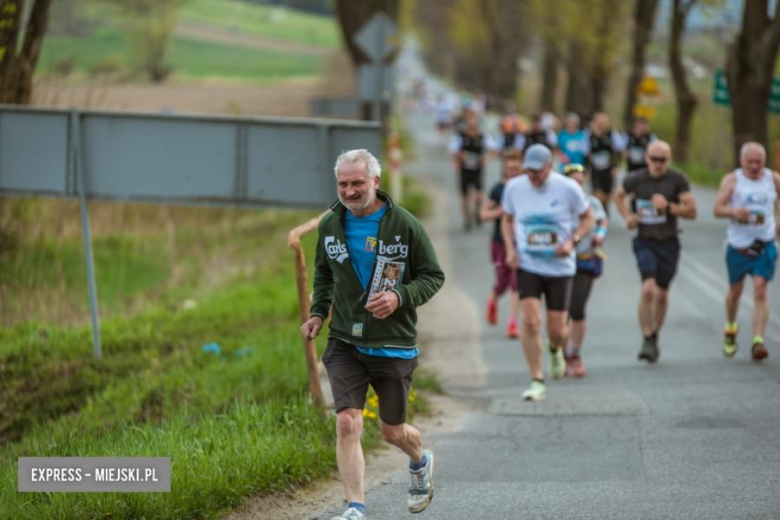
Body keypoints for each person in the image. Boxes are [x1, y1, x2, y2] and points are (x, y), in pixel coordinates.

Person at [301, 149, 445, 520]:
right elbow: (324, 274)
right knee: (347, 420)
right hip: (346, 338)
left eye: (357, 183)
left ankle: (420, 460)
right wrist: (319, 313)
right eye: (343, 184)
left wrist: (400, 296)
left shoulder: (405, 224)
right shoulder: (330, 224)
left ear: (375, 182)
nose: (349, 191)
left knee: (393, 432)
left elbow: (433, 277)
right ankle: (355, 507)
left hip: (393, 342)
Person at [501, 144, 595, 401]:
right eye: (529, 171)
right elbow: (507, 219)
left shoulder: (568, 188)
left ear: (549, 166)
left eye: (538, 172)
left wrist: (572, 241)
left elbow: (589, 219)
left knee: (557, 329)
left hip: (560, 267)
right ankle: (536, 379)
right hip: (529, 264)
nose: (533, 176)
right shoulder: (515, 187)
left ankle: (556, 349)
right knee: (530, 321)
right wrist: (510, 249)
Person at [614, 141, 697, 363]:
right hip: (645, 240)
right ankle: (646, 337)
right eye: (654, 159)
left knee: (662, 293)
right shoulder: (637, 178)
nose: (658, 164)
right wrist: (628, 217)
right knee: (648, 289)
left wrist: (668, 207)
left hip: (669, 242)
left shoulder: (677, 179)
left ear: (668, 160)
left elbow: (692, 211)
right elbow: (618, 195)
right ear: (647, 158)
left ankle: (655, 334)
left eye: (663, 159)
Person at [713, 142, 780, 361]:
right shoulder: (732, 180)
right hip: (738, 246)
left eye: (758, 162)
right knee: (735, 292)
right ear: (742, 161)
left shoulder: (773, 179)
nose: (754, 166)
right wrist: (734, 211)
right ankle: (731, 327)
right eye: (750, 161)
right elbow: (717, 209)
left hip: (765, 244)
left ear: (764, 161)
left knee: (760, 290)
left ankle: (758, 341)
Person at [561, 163, 608, 378]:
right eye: (573, 182)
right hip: (560, 262)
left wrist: (599, 234)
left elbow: (602, 221)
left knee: (577, 309)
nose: (578, 186)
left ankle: (575, 354)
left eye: (581, 182)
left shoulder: (592, 202)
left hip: (585, 260)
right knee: (561, 311)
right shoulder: (558, 202)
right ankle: (561, 353)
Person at [480, 150, 524, 338]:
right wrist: (498, 213)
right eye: (509, 168)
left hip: (521, 243)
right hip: (499, 242)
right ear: (504, 170)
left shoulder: (526, 188)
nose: (512, 171)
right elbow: (483, 214)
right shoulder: (498, 189)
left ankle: (512, 323)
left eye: (516, 167)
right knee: (502, 283)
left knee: (516, 282)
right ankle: (493, 299)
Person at [449, 110, 499, 231]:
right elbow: (453, 151)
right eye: (469, 119)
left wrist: (485, 159)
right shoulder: (460, 136)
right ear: (466, 121)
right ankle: (467, 219)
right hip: (464, 170)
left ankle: (477, 212)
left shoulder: (483, 136)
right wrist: (459, 158)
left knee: (478, 196)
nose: (472, 122)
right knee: (465, 198)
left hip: (477, 170)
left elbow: (494, 150)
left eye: (474, 119)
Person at [587, 112, 624, 215]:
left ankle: (604, 211)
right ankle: (597, 213)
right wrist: (587, 169)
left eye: (603, 123)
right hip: (595, 169)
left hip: (608, 169)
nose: (601, 125)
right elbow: (585, 153)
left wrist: (616, 166)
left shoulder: (612, 134)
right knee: (597, 193)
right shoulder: (589, 135)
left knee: (607, 196)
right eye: (599, 122)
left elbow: (619, 150)